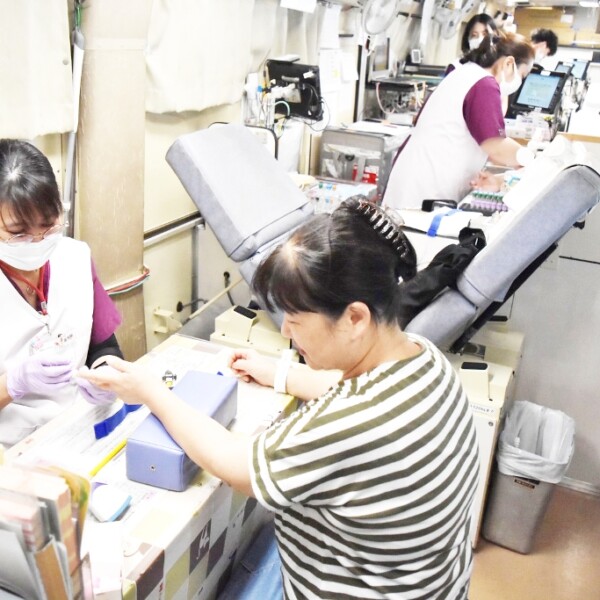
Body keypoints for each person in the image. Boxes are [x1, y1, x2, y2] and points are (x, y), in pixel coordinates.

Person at [81, 197, 480, 599]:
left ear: (355, 318)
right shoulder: (424, 358)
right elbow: (353, 393)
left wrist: (152, 391)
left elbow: (234, 463)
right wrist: (280, 374)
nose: (286, 331)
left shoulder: (347, 424)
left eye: (295, 318)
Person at [0, 139, 123, 447]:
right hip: (11, 447)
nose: (38, 240)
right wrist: (12, 384)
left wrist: (106, 373)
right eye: (18, 232)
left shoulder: (75, 256)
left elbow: (104, 345)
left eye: (49, 225)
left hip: (79, 425)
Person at [383, 32, 535, 211]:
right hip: (425, 186)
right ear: (509, 63)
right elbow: (496, 147)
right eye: (522, 75)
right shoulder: (483, 84)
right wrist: (532, 160)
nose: (518, 81)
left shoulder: (468, 73)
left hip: (421, 178)